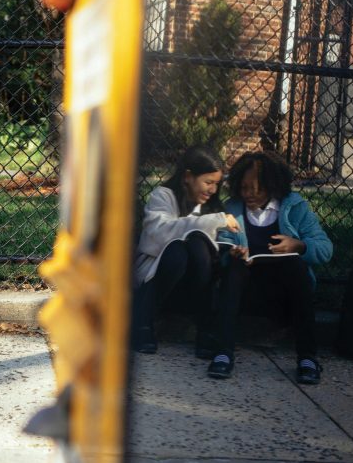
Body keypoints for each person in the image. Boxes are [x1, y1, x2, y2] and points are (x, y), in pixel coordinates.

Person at [207, 151, 333, 384]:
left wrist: (299, 246)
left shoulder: (294, 208)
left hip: (283, 293)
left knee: (296, 265)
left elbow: (325, 249)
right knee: (234, 269)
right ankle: (223, 351)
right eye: (243, 187)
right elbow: (222, 243)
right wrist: (232, 252)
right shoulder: (233, 208)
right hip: (245, 290)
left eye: (256, 188)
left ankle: (307, 357)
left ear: (273, 185)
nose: (248, 194)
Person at [131, 145, 240, 355]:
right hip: (158, 281)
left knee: (198, 243)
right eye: (208, 182)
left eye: (216, 184)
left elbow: (221, 246)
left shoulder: (213, 206)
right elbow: (160, 233)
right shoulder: (163, 197)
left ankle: (205, 329)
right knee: (178, 250)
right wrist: (214, 221)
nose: (213, 190)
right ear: (188, 176)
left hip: (195, 287)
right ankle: (143, 323)